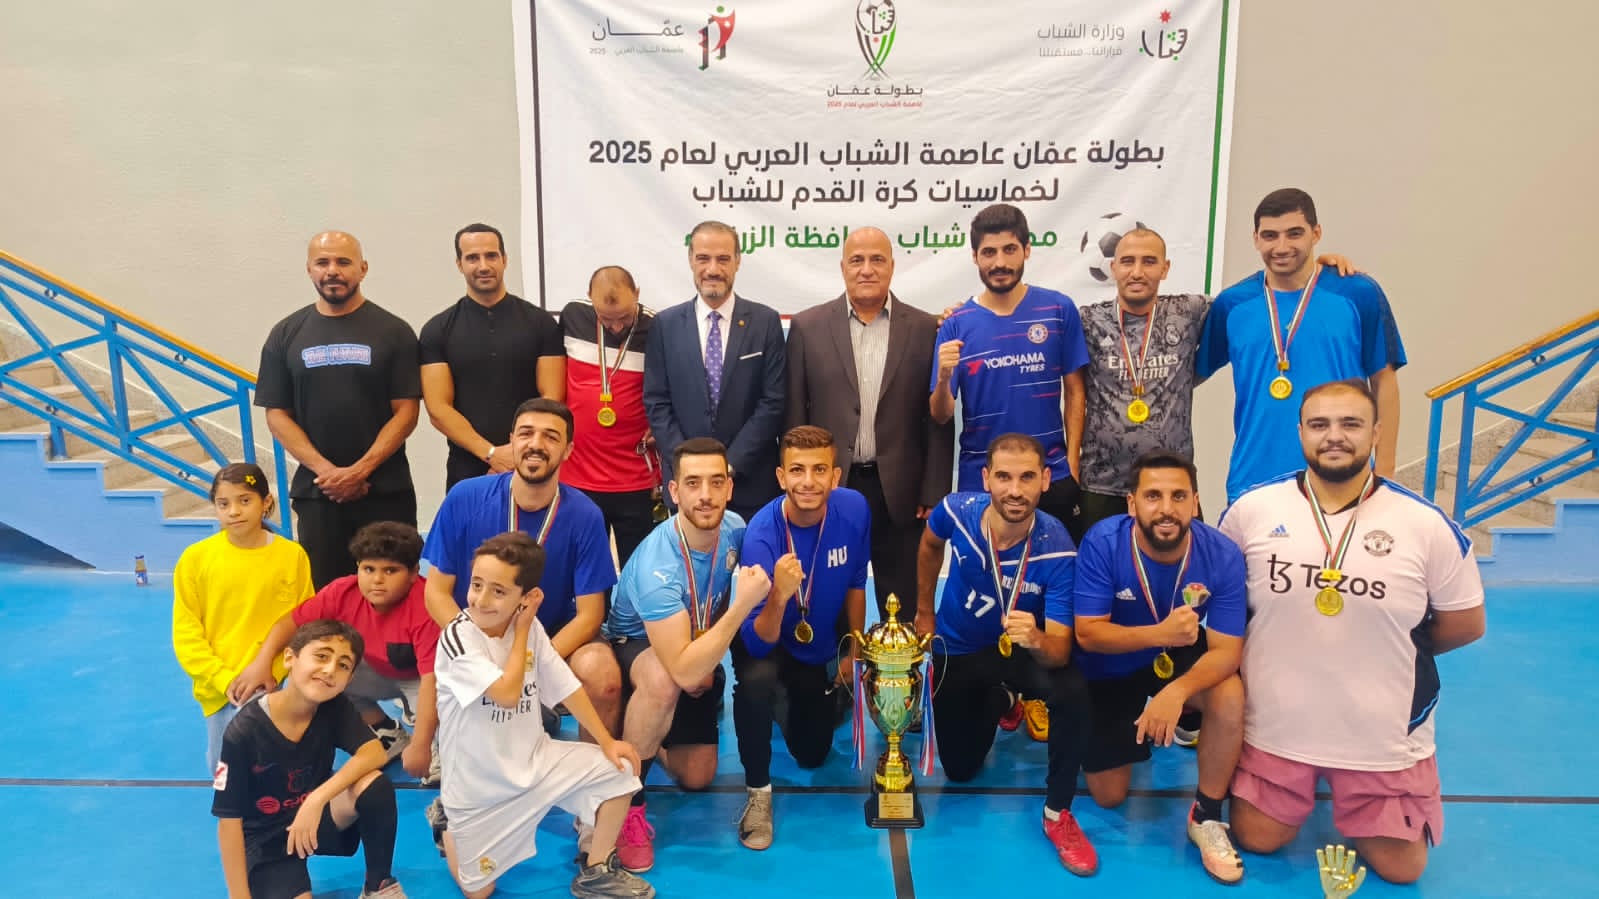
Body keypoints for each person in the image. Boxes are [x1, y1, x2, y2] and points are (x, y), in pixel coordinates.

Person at [1218, 379, 1486, 884]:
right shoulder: (1251, 512)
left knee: (1403, 870)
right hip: (1277, 725)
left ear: (1376, 432)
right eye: (1319, 424)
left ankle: (1357, 788)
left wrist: (1388, 648)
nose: (1334, 436)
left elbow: (1465, 623)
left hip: (1380, 735)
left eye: (1351, 424)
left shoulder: (1424, 524)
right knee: (1257, 838)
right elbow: (1226, 609)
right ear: (1300, 432)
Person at [1078, 226, 1358, 530]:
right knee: (1097, 556)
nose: (1137, 272)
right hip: (1101, 481)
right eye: (1127, 261)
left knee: (1186, 558)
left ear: (1165, 268)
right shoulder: (1087, 320)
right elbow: (1072, 391)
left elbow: (1252, 293)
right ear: (1113, 267)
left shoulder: (1190, 311)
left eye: (1149, 261)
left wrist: (1314, 268)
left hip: (1173, 480)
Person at [915, 433, 1097, 877]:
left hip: (1020, 653)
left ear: (1045, 480)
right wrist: (924, 610)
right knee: (959, 769)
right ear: (986, 479)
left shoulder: (1058, 548)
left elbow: (1059, 651)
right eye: (1004, 477)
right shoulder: (956, 511)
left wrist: (1035, 638)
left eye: (1027, 478)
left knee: (1072, 689)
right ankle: (1004, 701)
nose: (1015, 490)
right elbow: (929, 544)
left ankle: (1058, 812)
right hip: (958, 648)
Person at [433, 532, 653, 899]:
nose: (481, 600)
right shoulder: (458, 638)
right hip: (477, 787)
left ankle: (597, 870)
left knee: (622, 768)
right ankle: (448, 825)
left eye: (498, 591)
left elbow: (565, 687)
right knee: (480, 892)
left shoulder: (530, 628)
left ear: (527, 597)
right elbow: (507, 695)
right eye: (476, 585)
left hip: (534, 763)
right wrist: (521, 632)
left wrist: (607, 741)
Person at [1072, 451, 1248, 884]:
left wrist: (1176, 691)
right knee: (1109, 796)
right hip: (1109, 666)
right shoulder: (1103, 542)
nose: (1166, 508)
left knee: (1229, 692)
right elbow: (1088, 634)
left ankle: (1206, 814)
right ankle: (1134, 721)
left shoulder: (1222, 554)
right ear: (1132, 504)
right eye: (1153, 496)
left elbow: (1227, 651)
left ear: (1195, 501)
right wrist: (1159, 633)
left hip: (1175, 656)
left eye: (1178, 496)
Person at [602, 437, 772, 872]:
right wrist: (738, 609)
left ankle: (643, 735)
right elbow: (682, 669)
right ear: (674, 492)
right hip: (632, 646)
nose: (706, 495)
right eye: (693, 484)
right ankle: (628, 803)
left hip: (690, 643)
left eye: (716, 482)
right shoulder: (658, 565)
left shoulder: (734, 527)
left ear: (729, 487)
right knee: (665, 681)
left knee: (697, 776)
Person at [422, 398, 621, 737]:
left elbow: (590, 615)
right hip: (477, 629)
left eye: (551, 437)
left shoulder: (586, 514)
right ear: (511, 440)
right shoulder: (464, 497)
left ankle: (595, 765)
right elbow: (437, 593)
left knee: (602, 676)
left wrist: (531, 661)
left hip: (551, 635)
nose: (536, 444)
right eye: (526, 433)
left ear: (568, 450)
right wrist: (477, 648)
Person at [786, 227, 952, 621]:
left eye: (877, 260)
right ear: (842, 267)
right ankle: (838, 664)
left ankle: (900, 663)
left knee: (903, 606)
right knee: (830, 601)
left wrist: (934, 490)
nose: (867, 269)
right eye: (857, 260)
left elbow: (937, 419)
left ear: (892, 266)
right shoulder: (808, 327)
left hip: (903, 493)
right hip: (830, 487)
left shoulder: (925, 328)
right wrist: (797, 483)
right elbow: (794, 415)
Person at [1198, 189, 1407, 503]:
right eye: (1270, 236)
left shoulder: (1357, 293)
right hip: (1254, 482)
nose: (1281, 247)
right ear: (1256, 239)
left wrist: (1386, 474)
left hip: (1345, 478)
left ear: (1316, 233)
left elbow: (1384, 381)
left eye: (1294, 234)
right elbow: (1188, 375)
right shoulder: (1232, 304)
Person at [257, 230, 421, 588]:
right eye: (323, 262)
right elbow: (277, 414)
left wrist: (360, 471)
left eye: (343, 262)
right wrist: (329, 473)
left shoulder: (395, 332)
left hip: (385, 493)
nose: (332, 270)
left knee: (393, 594)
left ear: (363, 269)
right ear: (309, 269)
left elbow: (407, 412)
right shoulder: (285, 334)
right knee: (326, 595)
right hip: (319, 494)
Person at [731, 425, 870, 850]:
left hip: (816, 642)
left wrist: (855, 648)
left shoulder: (855, 509)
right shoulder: (762, 534)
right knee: (756, 682)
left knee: (812, 754)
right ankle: (758, 794)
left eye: (818, 470)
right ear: (780, 477)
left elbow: (857, 581)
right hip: (766, 639)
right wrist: (778, 592)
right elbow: (758, 641)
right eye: (797, 470)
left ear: (836, 476)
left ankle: (813, 692)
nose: (808, 482)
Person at [211, 619, 407, 899]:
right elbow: (229, 821)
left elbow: (374, 751)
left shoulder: (333, 706)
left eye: (343, 665)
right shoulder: (243, 732)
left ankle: (378, 887)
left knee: (374, 785)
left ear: (350, 679)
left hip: (314, 818)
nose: (330, 670)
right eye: (322, 656)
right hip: (268, 843)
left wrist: (316, 800)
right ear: (290, 658)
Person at [931, 204, 1090, 540]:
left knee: (1057, 568)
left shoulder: (1058, 309)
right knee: (983, 569)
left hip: (1050, 475)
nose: (999, 262)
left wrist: (1072, 466)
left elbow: (1076, 392)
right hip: (981, 480)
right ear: (975, 257)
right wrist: (944, 377)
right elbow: (941, 414)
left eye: (1009, 250)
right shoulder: (956, 324)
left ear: (1027, 250)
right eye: (989, 252)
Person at [236, 522, 440, 781]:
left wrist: (421, 745)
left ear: (413, 573)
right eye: (369, 569)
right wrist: (261, 663)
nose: (377, 580)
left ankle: (437, 741)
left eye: (390, 570)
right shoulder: (342, 592)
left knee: (447, 712)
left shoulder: (426, 605)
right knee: (324, 676)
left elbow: (432, 680)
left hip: (425, 679)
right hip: (375, 669)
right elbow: (290, 623)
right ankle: (387, 732)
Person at [173, 462, 313, 776]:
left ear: (266, 502)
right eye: (223, 504)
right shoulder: (195, 559)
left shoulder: (292, 556)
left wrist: (272, 673)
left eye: (245, 500)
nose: (234, 511)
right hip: (220, 689)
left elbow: (302, 623)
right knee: (225, 769)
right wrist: (224, 680)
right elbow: (186, 633)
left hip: (274, 684)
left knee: (277, 768)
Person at [644, 221, 786, 522]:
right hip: (687, 488)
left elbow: (773, 402)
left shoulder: (766, 322)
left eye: (723, 259)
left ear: (738, 261)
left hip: (750, 484)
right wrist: (691, 469)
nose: (713, 269)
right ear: (690, 261)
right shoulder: (665, 325)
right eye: (703, 258)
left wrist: (728, 467)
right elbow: (657, 402)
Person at [420, 223, 566, 489]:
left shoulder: (541, 324)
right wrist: (491, 454)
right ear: (459, 264)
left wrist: (518, 451)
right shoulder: (437, 330)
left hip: (532, 463)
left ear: (505, 259)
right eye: (472, 258)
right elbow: (438, 408)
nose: (483, 266)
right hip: (467, 469)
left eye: (491, 256)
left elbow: (552, 397)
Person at [561, 265, 661, 572]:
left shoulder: (658, 328)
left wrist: (660, 425)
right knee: (585, 572)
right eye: (606, 318)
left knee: (639, 572)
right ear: (589, 297)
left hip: (636, 477)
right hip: (578, 476)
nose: (616, 327)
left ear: (637, 294)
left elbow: (677, 388)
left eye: (624, 317)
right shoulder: (572, 317)